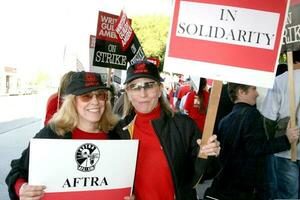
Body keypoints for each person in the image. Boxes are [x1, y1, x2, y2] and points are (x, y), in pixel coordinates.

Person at [6, 71, 134, 200]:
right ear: (73, 102)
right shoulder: (52, 133)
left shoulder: (117, 135)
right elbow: (18, 169)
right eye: (86, 96)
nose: (95, 102)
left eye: (100, 95)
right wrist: (21, 188)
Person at [110, 60, 221, 200]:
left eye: (149, 85)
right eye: (135, 87)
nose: (143, 94)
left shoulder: (184, 126)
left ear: (159, 88)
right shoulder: (118, 131)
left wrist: (209, 154)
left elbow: (207, 173)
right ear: (128, 92)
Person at [204, 83, 299, 200]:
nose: (257, 93)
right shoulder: (252, 114)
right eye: (253, 89)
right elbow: (256, 148)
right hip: (246, 186)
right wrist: (286, 139)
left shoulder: (225, 120)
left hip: (228, 183)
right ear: (241, 92)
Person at [260, 50, 300, 199]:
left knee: (287, 196)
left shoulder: (281, 80)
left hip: (286, 151)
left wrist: (274, 143)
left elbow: (268, 119)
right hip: (288, 152)